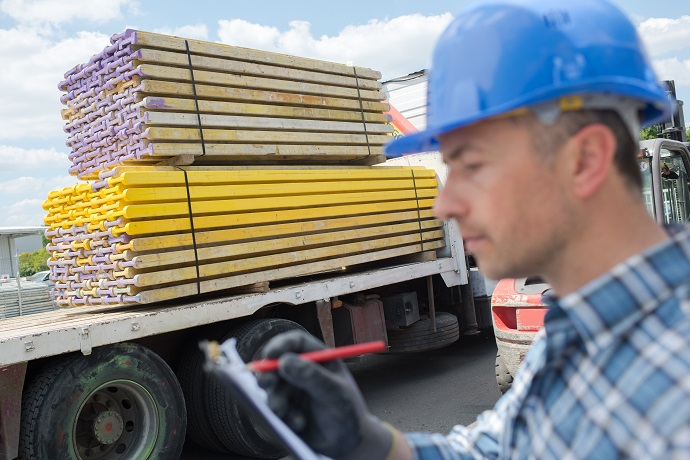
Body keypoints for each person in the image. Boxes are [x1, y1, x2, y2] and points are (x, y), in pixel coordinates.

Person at [257, 0, 690, 458]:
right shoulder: (578, 327)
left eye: (474, 165)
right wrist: (371, 442)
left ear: (583, 160)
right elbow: (496, 448)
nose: (445, 203)